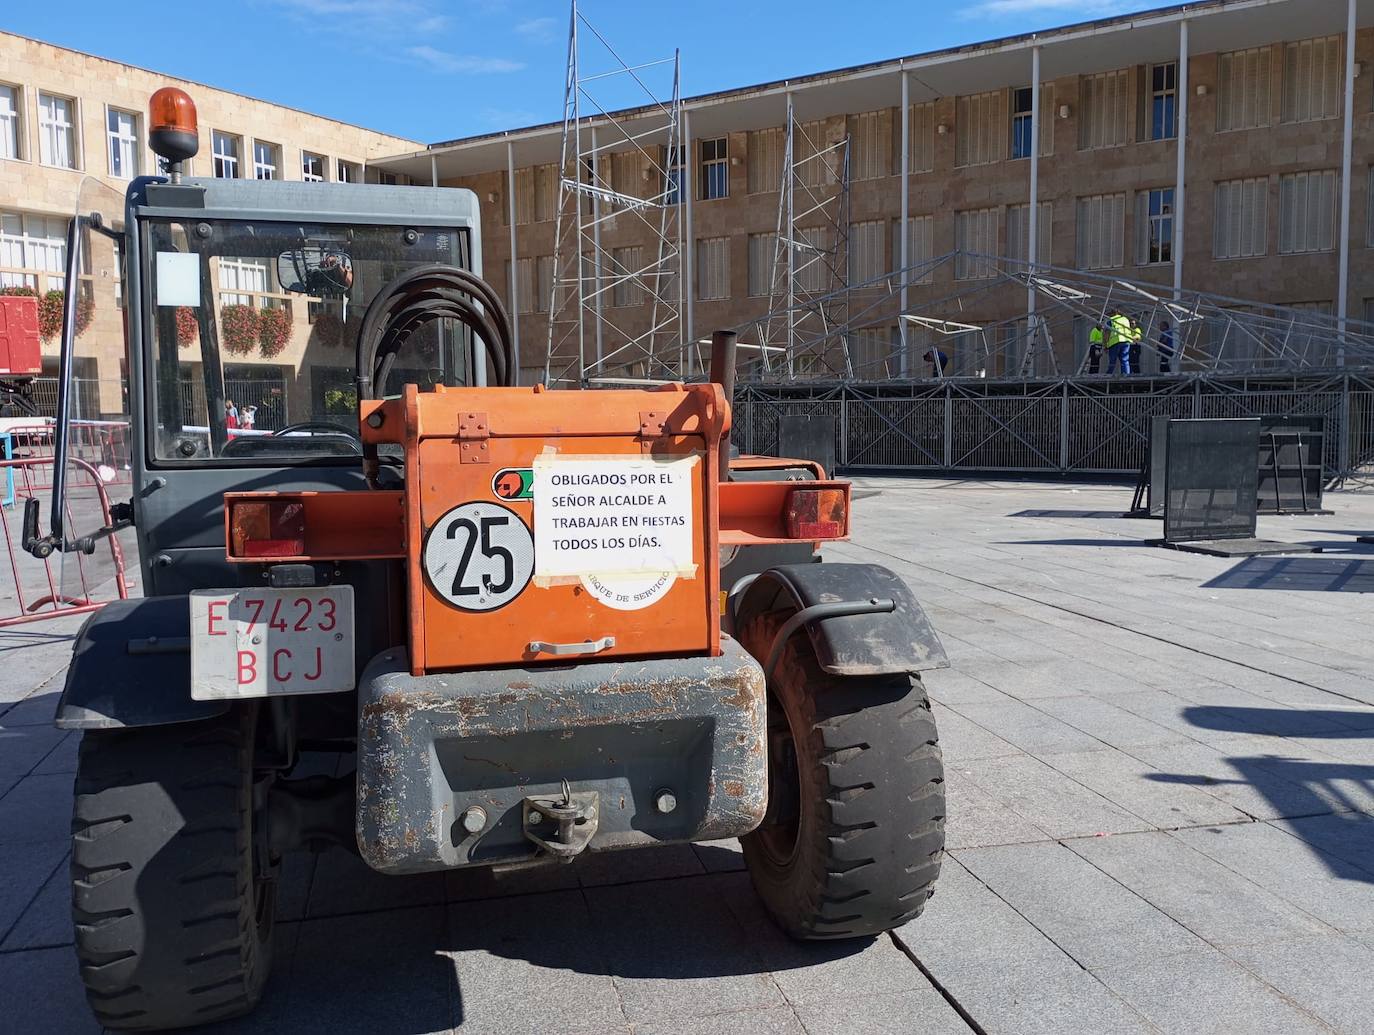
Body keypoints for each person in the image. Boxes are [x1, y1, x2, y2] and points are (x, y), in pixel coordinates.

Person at [1107, 310, 1132, 376]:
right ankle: (1126, 375)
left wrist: (1105, 345)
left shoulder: (1111, 320)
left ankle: (1109, 374)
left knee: (1112, 360)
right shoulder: (1125, 319)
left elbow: (1107, 333)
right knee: (1125, 360)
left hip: (1115, 341)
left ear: (1113, 313)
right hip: (1126, 341)